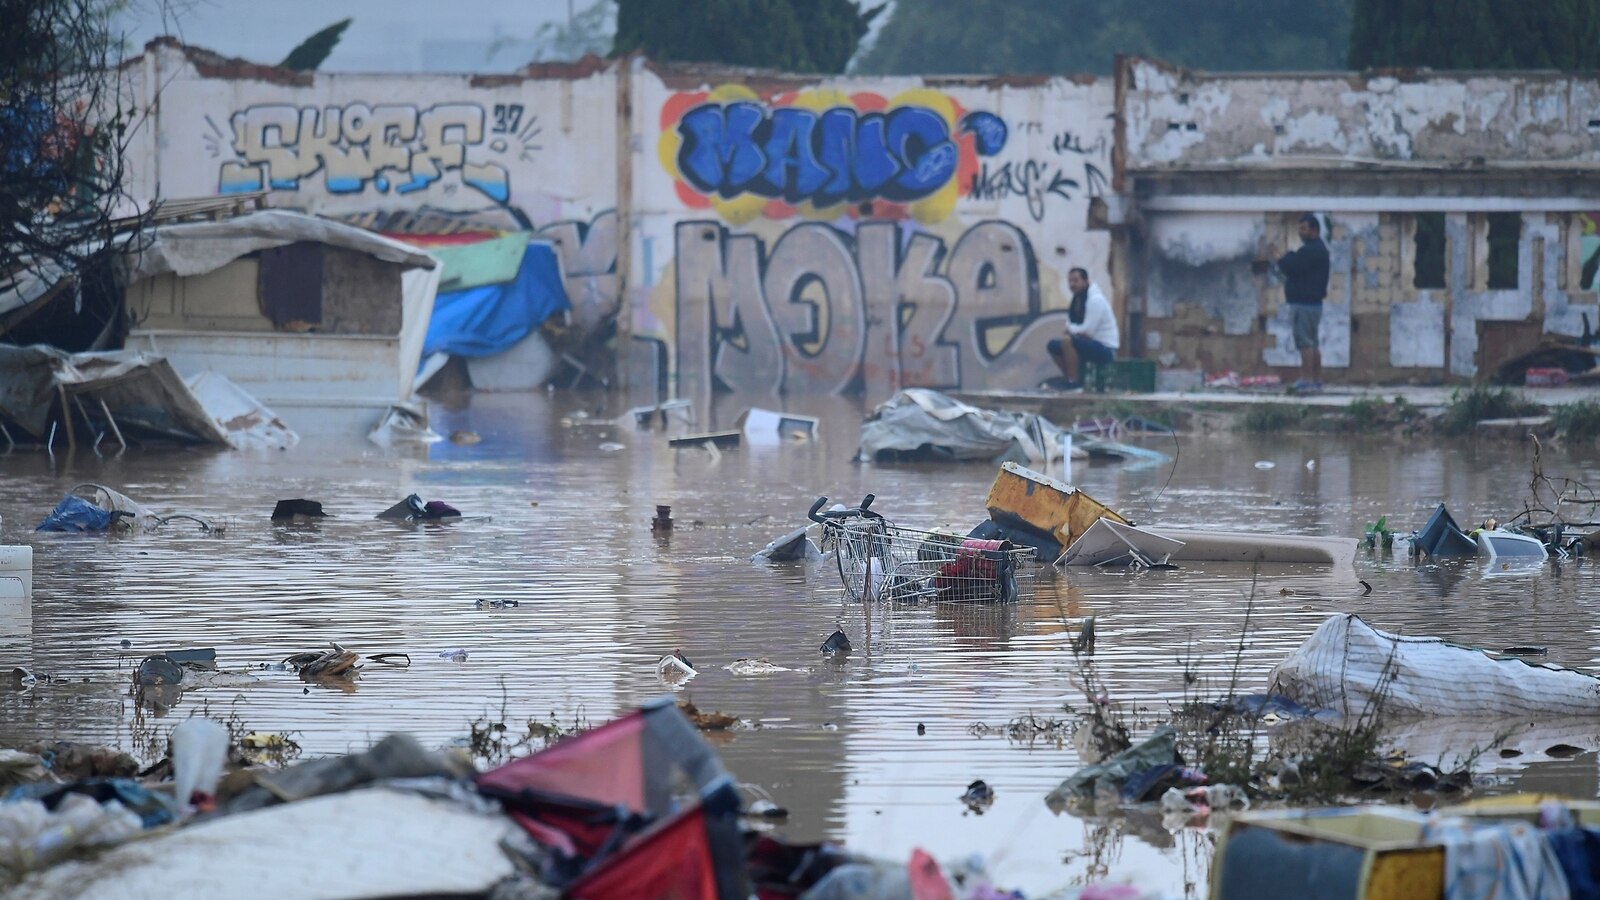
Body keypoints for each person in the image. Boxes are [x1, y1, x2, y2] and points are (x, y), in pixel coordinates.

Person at [1273, 214, 1330, 391]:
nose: (1300, 233)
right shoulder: (1318, 249)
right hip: (1314, 304)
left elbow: (1292, 266)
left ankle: (1307, 379)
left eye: (1304, 229)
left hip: (1303, 304)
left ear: (1314, 230)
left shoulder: (1311, 251)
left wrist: (1279, 258)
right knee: (1313, 343)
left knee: (1305, 343)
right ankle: (1317, 379)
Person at [1045, 267, 1119, 390]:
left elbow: (1087, 331)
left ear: (1085, 281)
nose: (1072, 284)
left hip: (1105, 348)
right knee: (1053, 345)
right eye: (1070, 281)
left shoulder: (1095, 300)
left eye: (1075, 280)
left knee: (1066, 341)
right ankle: (1068, 378)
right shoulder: (1077, 300)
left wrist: (1072, 331)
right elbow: (1070, 325)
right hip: (1086, 344)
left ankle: (1074, 382)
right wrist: (1073, 331)